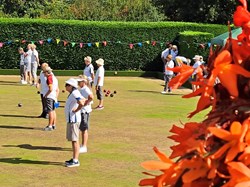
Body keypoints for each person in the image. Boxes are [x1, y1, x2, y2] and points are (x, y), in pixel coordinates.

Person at [64, 78, 85, 167]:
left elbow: (82, 102)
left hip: (74, 120)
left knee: (75, 140)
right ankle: (74, 158)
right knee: (73, 140)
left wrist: (76, 110)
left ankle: (76, 160)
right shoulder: (73, 93)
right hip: (71, 119)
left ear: (70, 86)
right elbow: (83, 100)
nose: (65, 87)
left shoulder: (75, 93)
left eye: (66, 85)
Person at [77, 75, 94, 153]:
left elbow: (91, 97)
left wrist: (86, 103)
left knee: (84, 129)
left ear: (83, 82)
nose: (78, 82)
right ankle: (82, 145)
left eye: (79, 81)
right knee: (82, 128)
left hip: (85, 111)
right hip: (82, 111)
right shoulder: (82, 89)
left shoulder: (85, 89)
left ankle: (84, 146)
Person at [43, 67, 59, 131]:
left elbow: (50, 89)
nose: (43, 73)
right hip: (54, 96)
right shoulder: (55, 78)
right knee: (53, 110)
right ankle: (53, 125)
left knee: (50, 111)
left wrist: (46, 95)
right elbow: (57, 89)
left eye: (44, 72)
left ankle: (49, 126)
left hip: (50, 96)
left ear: (47, 72)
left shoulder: (49, 78)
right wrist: (56, 97)